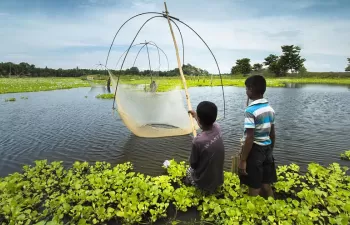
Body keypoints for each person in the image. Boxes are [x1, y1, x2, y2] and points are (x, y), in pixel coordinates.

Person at [239, 75, 277, 198]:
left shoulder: (250, 111)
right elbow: (272, 134)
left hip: (255, 150)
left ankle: (254, 210)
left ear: (250, 89)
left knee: (254, 184)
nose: (245, 91)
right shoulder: (270, 109)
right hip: (267, 149)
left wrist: (243, 160)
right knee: (266, 183)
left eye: (246, 89)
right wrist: (270, 150)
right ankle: (271, 203)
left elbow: (250, 138)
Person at [187, 101, 225, 194]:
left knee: (189, 171)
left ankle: (198, 186)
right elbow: (203, 125)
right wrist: (196, 116)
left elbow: (193, 164)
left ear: (199, 119)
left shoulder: (198, 141)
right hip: (219, 180)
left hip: (204, 184)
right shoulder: (217, 127)